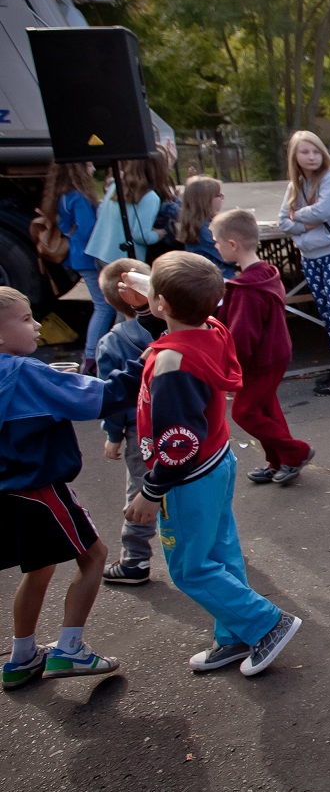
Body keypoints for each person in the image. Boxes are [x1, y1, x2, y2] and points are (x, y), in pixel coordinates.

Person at [119, 254, 302, 675]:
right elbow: (179, 322)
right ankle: (235, 634)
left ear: (163, 304)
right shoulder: (212, 328)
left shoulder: (171, 364)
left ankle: (266, 623)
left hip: (187, 478)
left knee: (190, 567)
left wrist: (151, 491)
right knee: (221, 553)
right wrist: (152, 299)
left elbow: (178, 443)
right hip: (215, 464)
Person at [1, 286, 140, 687]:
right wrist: (147, 360)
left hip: (7, 492)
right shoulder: (25, 372)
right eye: (26, 319)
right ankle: (70, 650)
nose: (37, 325)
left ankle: (22, 657)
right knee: (95, 556)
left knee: (38, 567)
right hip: (41, 488)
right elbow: (101, 398)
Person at [211, 208, 315, 484]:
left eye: (217, 241)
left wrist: (230, 369)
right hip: (273, 354)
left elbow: (242, 336)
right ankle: (279, 460)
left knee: (244, 412)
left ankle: (296, 452)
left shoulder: (246, 290)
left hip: (259, 360)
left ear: (232, 244)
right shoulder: (266, 274)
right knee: (266, 408)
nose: (215, 246)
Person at [278, 130, 330, 397]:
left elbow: (323, 211)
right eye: (305, 152)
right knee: (326, 313)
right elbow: (282, 221)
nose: (311, 157)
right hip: (309, 257)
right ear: (295, 156)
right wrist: (305, 224)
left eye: (316, 151)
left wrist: (296, 215)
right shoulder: (296, 185)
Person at [94, 258, 160, 585]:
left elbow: (112, 397)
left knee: (141, 492)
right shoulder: (175, 326)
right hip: (185, 424)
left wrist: (113, 435)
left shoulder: (112, 342)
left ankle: (135, 559)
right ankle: (211, 544)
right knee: (190, 485)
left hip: (139, 430)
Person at [41, 162, 109, 374]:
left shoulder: (64, 195)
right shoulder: (79, 196)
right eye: (88, 164)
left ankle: (91, 355)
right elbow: (88, 229)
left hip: (78, 255)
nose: (93, 167)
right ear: (78, 169)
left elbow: (67, 226)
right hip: (89, 256)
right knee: (104, 306)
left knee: (101, 305)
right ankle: (91, 356)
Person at [86, 154, 167, 264]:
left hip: (100, 252)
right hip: (123, 260)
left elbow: (100, 212)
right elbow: (140, 236)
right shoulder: (150, 197)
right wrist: (159, 234)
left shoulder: (117, 186)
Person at [173, 175, 234, 277]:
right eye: (219, 195)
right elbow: (230, 257)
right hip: (218, 278)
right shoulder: (205, 231)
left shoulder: (195, 225)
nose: (223, 197)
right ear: (206, 200)